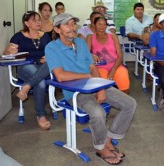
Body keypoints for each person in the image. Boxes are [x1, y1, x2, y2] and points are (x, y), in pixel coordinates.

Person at [45, 13, 136, 165]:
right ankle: (100, 147)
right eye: (67, 24)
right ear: (57, 29)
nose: (72, 27)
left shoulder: (80, 43)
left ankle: (108, 138)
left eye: (73, 23)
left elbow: (93, 67)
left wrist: (100, 88)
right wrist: (86, 76)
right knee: (98, 112)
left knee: (130, 103)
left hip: (93, 84)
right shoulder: (52, 48)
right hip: (74, 92)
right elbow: (60, 76)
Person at [3, 11, 51, 130]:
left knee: (52, 62)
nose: (38, 22)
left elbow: (54, 52)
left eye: (39, 20)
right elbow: (5, 53)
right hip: (26, 67)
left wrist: (49, 56)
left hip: (44, 67)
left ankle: (26, 87)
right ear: (26, 23)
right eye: (34, 20)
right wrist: (10, 52)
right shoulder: (19, 36)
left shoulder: (45, 36)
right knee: (40, 82)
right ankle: (41, 115)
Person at [86, 17, 130, 94]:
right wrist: (91, 55)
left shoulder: (113, 36)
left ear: (106, 26)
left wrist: (113, 71)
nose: (101, 26)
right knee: (102, 88)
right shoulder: (90, 37)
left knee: (124, 84)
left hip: (116, 65)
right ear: (94, 25)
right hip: (100, 67)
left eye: (104, 24)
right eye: (99, 24)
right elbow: (85, 53)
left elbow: (120, 55)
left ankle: (122, 102)